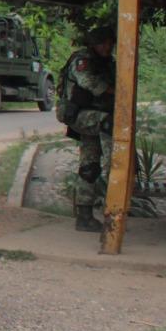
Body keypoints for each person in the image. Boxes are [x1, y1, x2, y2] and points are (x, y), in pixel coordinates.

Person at [59, 25, 115, 232]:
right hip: (80, 115)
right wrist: (114, 91)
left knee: (90, 166)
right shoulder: (82, 61)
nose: (108, 46)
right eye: (103, 42)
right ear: (94, 44)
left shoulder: (106, 62)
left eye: (110, 42)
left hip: (93, 116)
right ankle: (114, 178)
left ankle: (84, 216)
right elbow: (88, 83)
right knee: (110, 125)